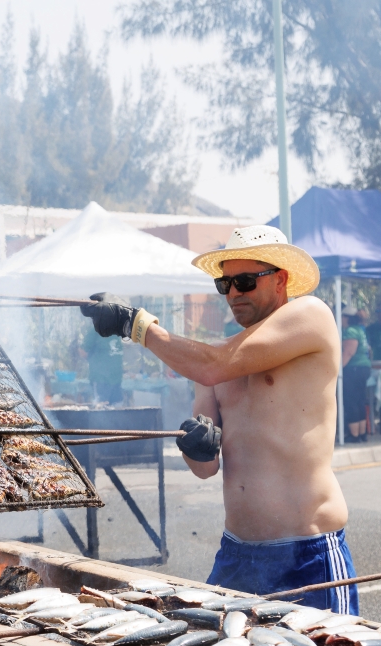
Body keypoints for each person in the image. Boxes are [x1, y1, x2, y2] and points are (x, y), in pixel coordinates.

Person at [80, 225, 356, 613]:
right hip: (237, 555)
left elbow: (213, 365)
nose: (233, 294)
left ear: (280, 280)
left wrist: (135, 324)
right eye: (225, 284)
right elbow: (205, 469)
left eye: (245, 282)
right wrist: (196, 447)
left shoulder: (311, 315)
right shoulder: (212, 358)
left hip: (307, 553)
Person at [341, 304, 371, 441]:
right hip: (363, 368)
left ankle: (354, 435)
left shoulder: (350, 331)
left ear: (346, 318)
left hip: (354, 369)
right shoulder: (360, 330)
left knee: (351, 400)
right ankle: (361, 434)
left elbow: (349, 352)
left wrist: (338, 369)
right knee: (360, 400)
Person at [81, 326, 124, 405]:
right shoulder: (95, 331)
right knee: (101, 408)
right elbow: (83, 352)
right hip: (101, 380)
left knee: (118, 407)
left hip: (116, 380)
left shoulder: (116, 330)